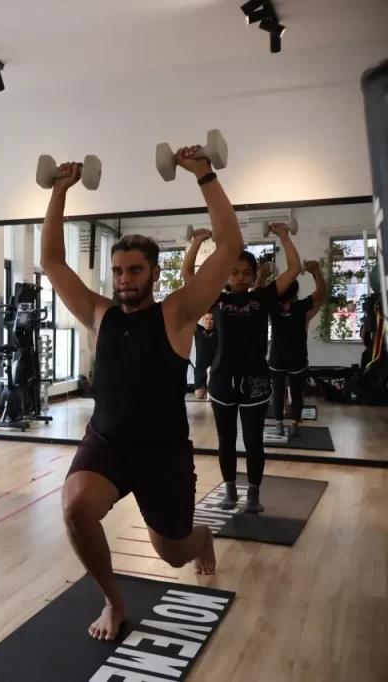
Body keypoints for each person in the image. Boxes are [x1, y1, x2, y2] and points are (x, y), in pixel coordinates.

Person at [46, 146, 243, 642]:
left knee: (172, 552)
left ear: (154, 272)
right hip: (106, 443)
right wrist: (59, 191)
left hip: (163, 453)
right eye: (117, 271)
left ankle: (202, 541)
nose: (123, 280)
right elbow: (51, 260)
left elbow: (227, 246)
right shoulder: (99, 314)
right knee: (74, 507)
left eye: (134, 271)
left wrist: (204, 174)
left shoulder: (176, 313)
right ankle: (113, 600)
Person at [182, 224, 301, 513]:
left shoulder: (262, 298)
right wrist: (198, 241)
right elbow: (188, 275)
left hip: (256, 381)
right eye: (234, 273)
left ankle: (254, 496)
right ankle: (230, 493)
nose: (239, 278)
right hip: (222, 380)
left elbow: (294, 268)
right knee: (226, 440)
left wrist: (283, 236)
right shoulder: (217, 299)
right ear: (226, 275)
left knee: (253, 441)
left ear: (253, 275)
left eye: (246, 273)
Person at [269, 260, 326, 435]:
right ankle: (294, 423)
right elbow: (321, 294)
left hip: (278, 358)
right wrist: (316, 272)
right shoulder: (303, 310)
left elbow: (257, 296)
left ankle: (278, 424)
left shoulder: (272, 310)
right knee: (296, 391)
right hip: (297, 358)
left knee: (278, 392)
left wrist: (264, 276)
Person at [193, 311, 217, 399]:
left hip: (212, 368)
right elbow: (192, 319)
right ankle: (206, 388)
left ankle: (210, 389)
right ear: (203, 319)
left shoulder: (217, 332)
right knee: (199, 396)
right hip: (200, 367)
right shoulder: (198, 331)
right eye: (206, 319)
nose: (208, 321)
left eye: (211, 319)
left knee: (210, 396)